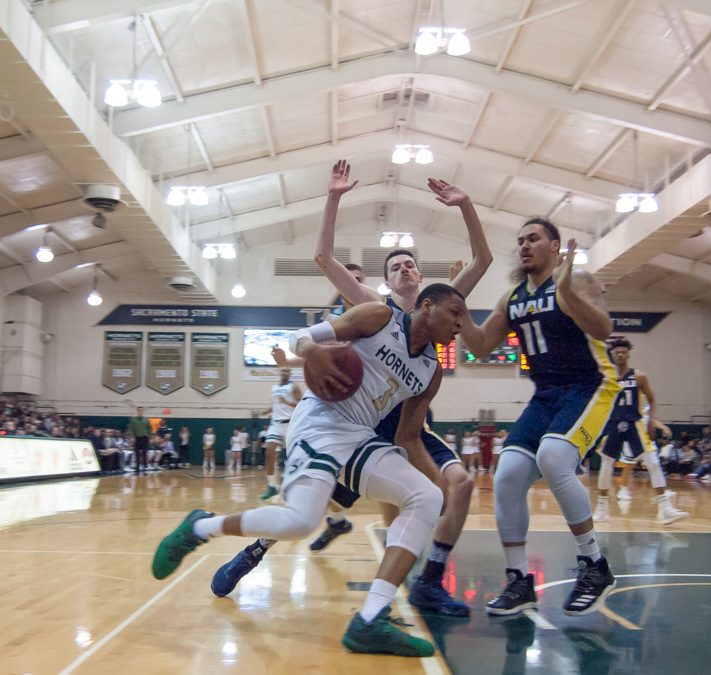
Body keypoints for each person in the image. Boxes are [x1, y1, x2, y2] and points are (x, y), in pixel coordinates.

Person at [211, 160, 491, 617]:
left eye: (410, 264)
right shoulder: (374, 308)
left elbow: (482, 260)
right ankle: (257, 548)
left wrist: (465, 206)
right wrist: (334, 196)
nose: (404, 269)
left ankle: (427, 580)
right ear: (387, 280)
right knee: (311, 507)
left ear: (423, 280)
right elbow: (323, 259)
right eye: (395, 265)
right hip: (359, 423)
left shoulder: (443, 302)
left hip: (409, 423)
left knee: (453, 485)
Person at [152, 284, 467, 657]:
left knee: (426, 496)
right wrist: (313, 351)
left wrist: (436, 479)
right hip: (320, 420)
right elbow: (300, 336)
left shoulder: (431, 371)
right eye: (456, 312)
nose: (461, 324)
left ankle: (370, 620)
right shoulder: (380, 317)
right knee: (301, 521)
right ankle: (200, 527)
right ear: (427, 305)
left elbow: (409, 437)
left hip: (359, 435)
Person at [458, 218, 620, 617]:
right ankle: (518, 580)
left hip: (591, 385)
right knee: (507, 474)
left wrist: (566, 293)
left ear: (554, 245)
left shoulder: (578, 280)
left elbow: (604, 329)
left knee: (553, 458)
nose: (525, 245)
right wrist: (458, 310)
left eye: (533, 238)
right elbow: (479, 346)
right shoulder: (512, 296)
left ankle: (594, 565)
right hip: (546, 395)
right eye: (520, 241)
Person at [592, 339, 687, 524]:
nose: (620, 355)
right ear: (612, 355)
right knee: (606, 464)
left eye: (623, 352)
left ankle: (665, 508)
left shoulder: (639, 376)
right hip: (613, 423)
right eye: (616, 352)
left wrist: (651, 420)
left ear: (628, 354)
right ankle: (601, 509)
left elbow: (652, 401)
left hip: (634, 422)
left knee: (652, 461)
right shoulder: (606, 378)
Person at [258, 369, 303, 499]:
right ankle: (272, 486)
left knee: (291, 457)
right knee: (269, 450)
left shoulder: (293, 387)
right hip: (275, 424)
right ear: (279, 373)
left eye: (287, 371)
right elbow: (274, 406)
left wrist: (287, 402)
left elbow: (302, 404)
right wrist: (265, 411)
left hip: (290, 424)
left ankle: (289, 483)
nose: (284, 373)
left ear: (290, 374)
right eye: (282, 371)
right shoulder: (274, 388)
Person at [127, 406, 152, 474]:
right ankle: (137, 468)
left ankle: (144, 467)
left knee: (144, 453)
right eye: (139, 410)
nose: (141, 412)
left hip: (144, 438)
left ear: (143, 411)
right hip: (137, 438)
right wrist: (132, 437)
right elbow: (131, 429)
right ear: (137, 411)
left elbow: (149, 428)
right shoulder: (133, 420)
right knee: (137, 453)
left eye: (142, 411)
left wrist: (149, 436)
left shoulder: (146, 420)